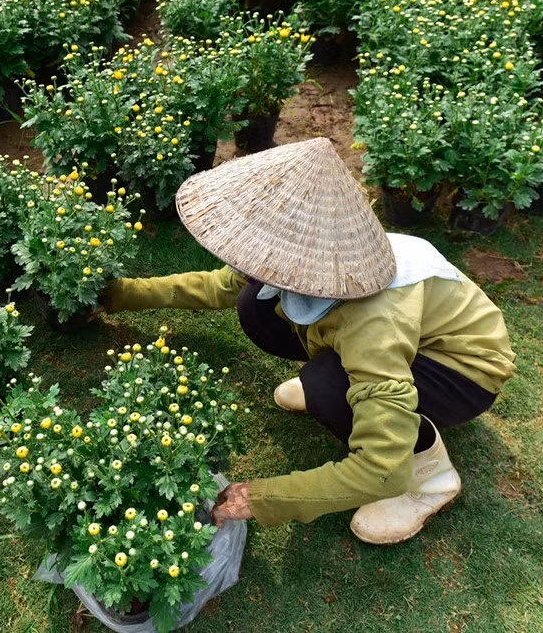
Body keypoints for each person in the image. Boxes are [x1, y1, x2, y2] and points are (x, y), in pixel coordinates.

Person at [98, 138, 516, 544]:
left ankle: (430, 476)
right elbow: (219, 285)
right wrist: (119, 293)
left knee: (327, 385)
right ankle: (336, 387)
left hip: (464, 370)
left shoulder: (373, 317)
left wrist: (262, 499)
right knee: (254, 304)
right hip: (404, 341)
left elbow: (379, 468)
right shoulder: (311, 254)